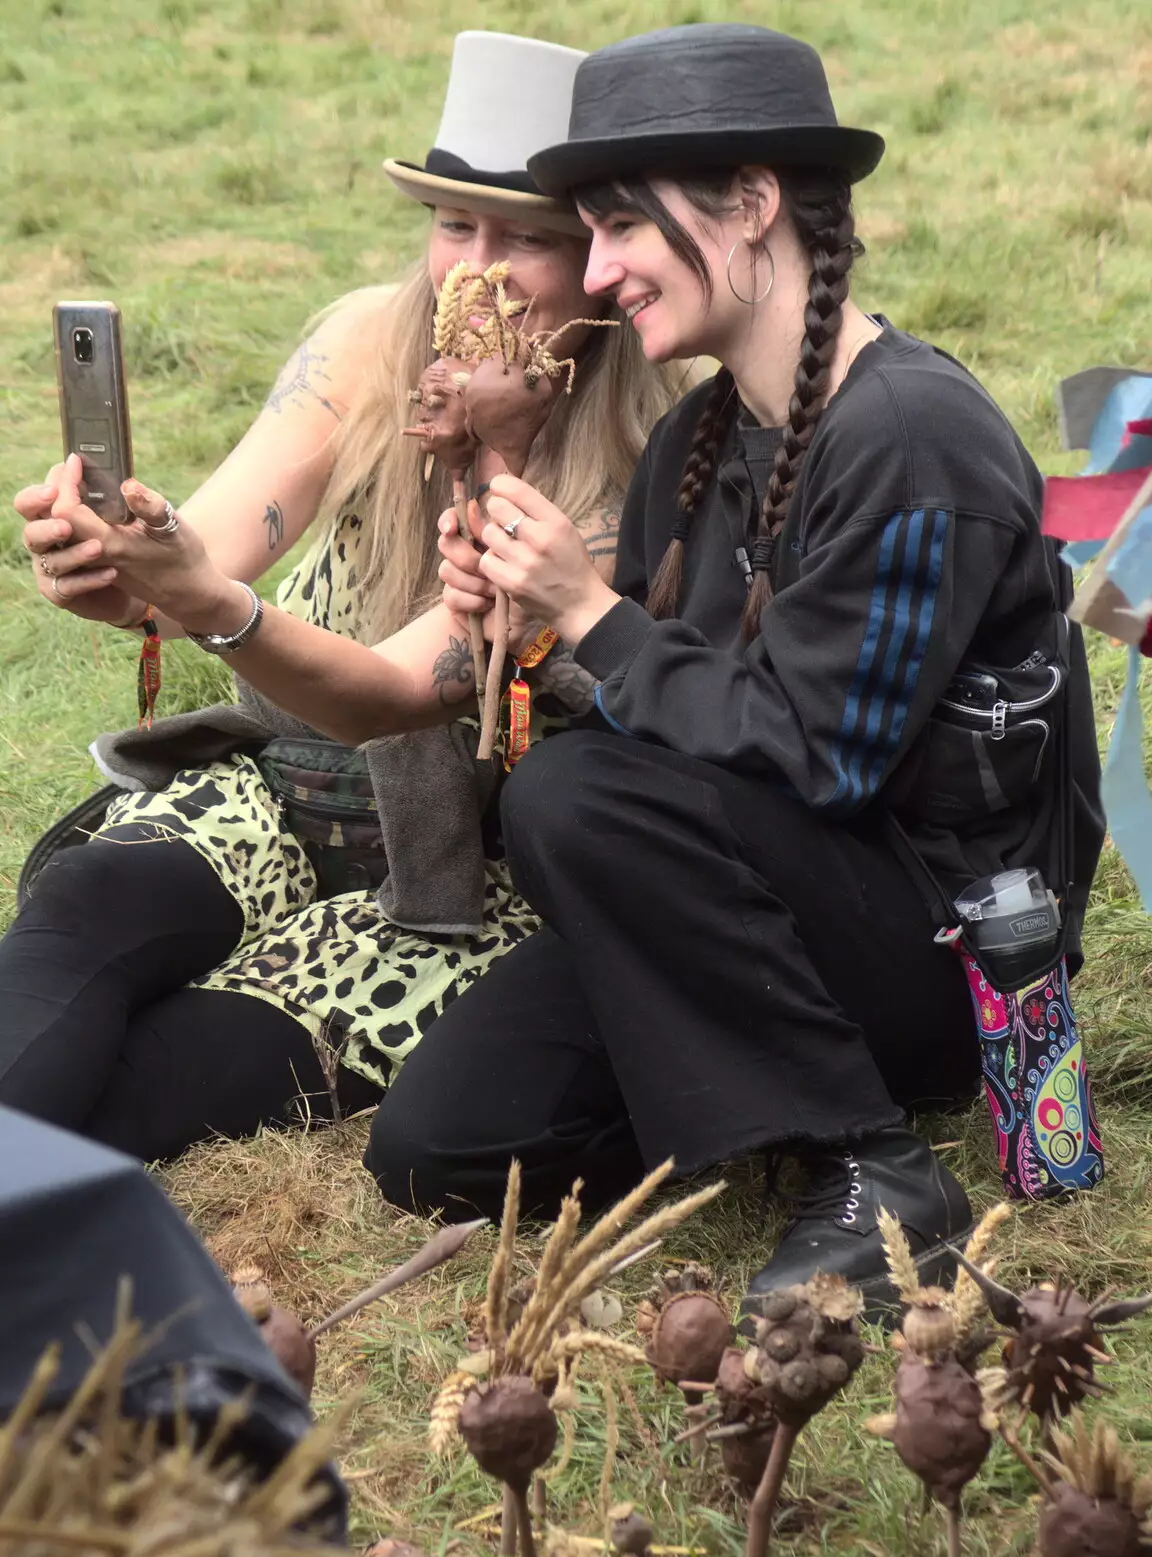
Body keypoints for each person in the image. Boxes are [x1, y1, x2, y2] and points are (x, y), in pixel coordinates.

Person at [45, 24, 1104, 1300]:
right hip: (748, 911)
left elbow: (824, 761)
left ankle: (875, 1166)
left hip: (936, 939)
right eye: (584, 232)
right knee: (445, 1141)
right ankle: (748, 1086)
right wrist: (518, 639)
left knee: (575, 799)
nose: (598, 272)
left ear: (753, 204)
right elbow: (667, 737)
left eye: (616, 229)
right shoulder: (702, 445)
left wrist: (588, 616)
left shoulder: (909, 437)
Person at [1, 31, 681, 1163]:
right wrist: (117, 566)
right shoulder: (367, 339)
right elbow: (202, 555)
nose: (477, 271)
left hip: (454, 880)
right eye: (454, 226)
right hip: (274, 793)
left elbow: (385, 695)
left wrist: (207, 603)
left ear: (603, 261)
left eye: (528, 239)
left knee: (168, 1072)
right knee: (84, 913)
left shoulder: (636, 467)